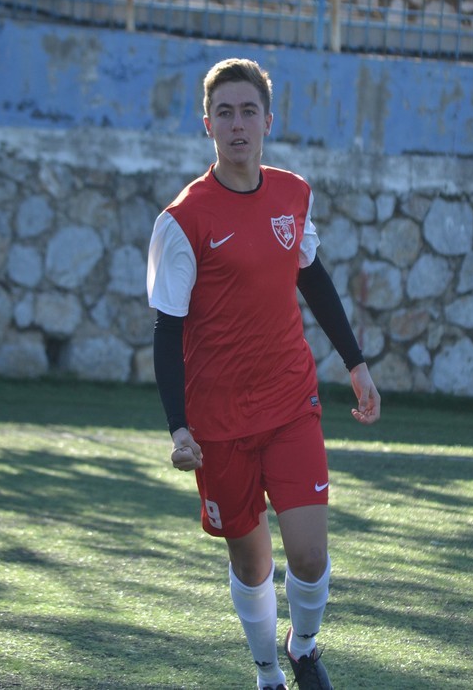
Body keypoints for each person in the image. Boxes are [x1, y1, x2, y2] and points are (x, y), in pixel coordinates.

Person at [146, 58, 381, 690]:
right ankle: (267, 673)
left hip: (289, 401)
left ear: (268, 121)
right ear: (207, 124)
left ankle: (303, 648)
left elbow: (313, 278)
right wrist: (178, 427)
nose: (237, 124)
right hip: (219, 421)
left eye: (248, 111)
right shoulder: (182, 221)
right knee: (252, 566)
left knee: (309, 553)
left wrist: (356, 363)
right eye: (224, 112)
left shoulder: (292, 195)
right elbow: (168, 331)